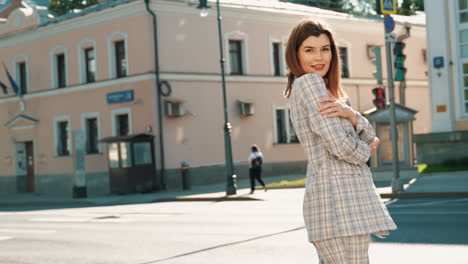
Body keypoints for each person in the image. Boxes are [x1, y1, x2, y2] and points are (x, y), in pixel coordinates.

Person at [285, 19, 397, 264]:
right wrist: (365, 150)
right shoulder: (310, 83)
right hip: (338, 203)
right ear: (295, 55)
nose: (319, 57)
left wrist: (352, 115)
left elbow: (367, 134)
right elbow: (344, 147)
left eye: (325, 49)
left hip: (335, 202)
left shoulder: (325, 91)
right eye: (309, 50)